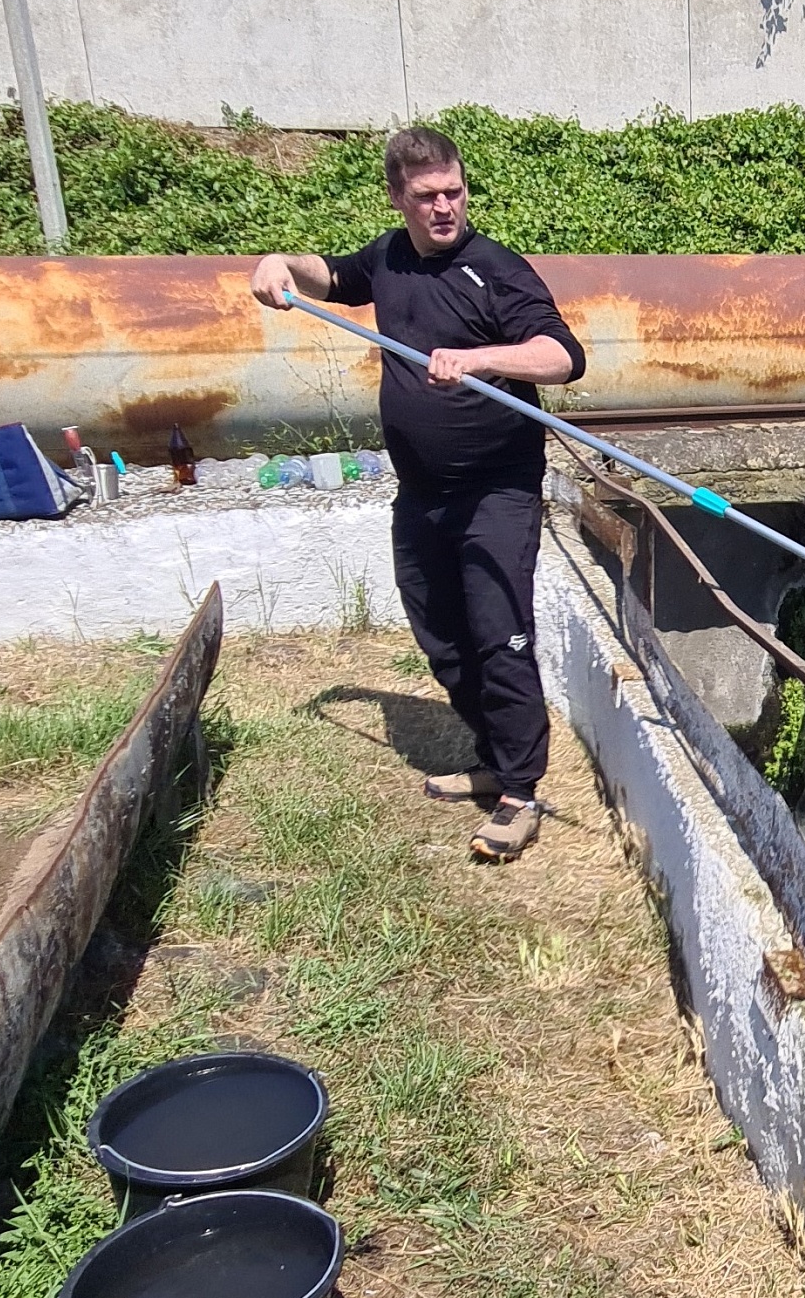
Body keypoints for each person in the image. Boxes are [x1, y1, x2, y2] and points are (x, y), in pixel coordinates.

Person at [250, 126, 585, 861]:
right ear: (398, 197)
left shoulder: (494, 268)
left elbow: (562, 356)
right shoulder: (389, 257)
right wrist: (278, 263)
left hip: (497, 489)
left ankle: (522, 789)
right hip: (421, 489)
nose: (444, 207)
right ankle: (494, 756)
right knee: (440, 630)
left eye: (454, 192)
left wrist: (480, 361)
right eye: (428, 195)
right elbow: (330, 275)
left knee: (500, 633)